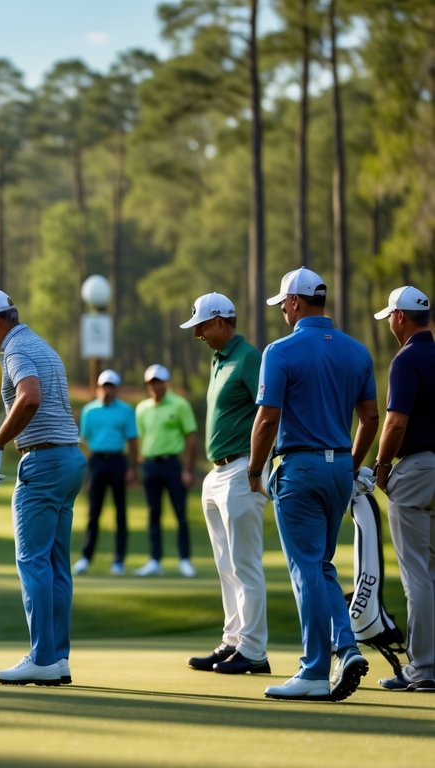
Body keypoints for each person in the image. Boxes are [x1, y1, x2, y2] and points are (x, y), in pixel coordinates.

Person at [249, 266, 378, 702]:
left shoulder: (279, 351)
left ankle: (314, 671)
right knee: (322, 566)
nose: (283, 308)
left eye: (284, 302)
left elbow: (267, 418)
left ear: (296, 303)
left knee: (306, 570)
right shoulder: (358, 351)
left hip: (299, 469)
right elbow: (371, 418)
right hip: (340, 467)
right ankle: (346, 646)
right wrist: (350, 464)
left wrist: (253, 469)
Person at [0, 287, 87, 686]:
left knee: (32, 560)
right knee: (55, 564)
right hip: (69, 457)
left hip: (44, 461)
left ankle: (41, 657)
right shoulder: (42, 346)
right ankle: (57, 658)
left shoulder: (17, 352)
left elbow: (29, 396)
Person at [180, 292, 271, 675]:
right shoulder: (220, 360)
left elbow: (270, 411)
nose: (197, 333)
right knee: (225, 565)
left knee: (245, 563)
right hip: (217, 473)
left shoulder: (249, 358)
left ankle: (254, 651)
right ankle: (233, 640)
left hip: (242, 470)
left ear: (220, 321)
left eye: (201, 325)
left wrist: (257, 465)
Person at [371, 285, 435, 692]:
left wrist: (379, 465)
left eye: (390, 318)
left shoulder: (406, 358)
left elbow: (395, 422)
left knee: (417, 573)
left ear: (399, 317)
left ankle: (424, 667)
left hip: (415, 471)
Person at [134, 364, 199, 578]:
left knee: (180, 513)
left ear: (166, 383)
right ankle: (155, 560)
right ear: (147, 385)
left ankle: (185, 560)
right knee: (153, 514)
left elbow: (191, 436)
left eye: (159, 381)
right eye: (151, 382)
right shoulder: (141, 408)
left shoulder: (179, 404)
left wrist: (188, 469)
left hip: (173, 465)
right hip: (151, 466)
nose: (155, 386)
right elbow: (142, 437)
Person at [75, 369, 138, 576]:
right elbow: (84, 440)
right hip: (97, 462)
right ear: (99, 387)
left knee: (120, 512)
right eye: (104, 386)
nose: (107, 390)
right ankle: (86, 557)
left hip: (118, 461)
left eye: (110, 386)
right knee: (94, 512)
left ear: (116, 388)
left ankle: (119, 560)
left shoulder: (126, 411)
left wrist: (133, 467)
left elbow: (132, 440)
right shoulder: (89, 411)